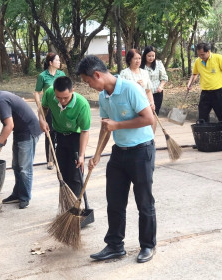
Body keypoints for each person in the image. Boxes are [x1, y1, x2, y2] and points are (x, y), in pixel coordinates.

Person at [76, 55, 156, 263]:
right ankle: (115, 245)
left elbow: (148, 118)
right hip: (119, 152)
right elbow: (106, 126)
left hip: (141, 152)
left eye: (88, 82)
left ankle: (147, 245)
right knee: (115, 201)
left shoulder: (131, 89)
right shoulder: (104, 96)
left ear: (97, 75)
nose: (89, 86)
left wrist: (118, 125)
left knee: (144, 202)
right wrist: (97, 154)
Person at [0, 82, 42, 209]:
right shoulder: (1, 97)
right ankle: (17, 194)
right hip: (20, 131)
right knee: (16, 166)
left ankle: (25, 197)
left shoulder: (1, 100)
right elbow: (7, 124)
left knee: (24, 168)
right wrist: (1, 139)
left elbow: (9, 125)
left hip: (28, 132)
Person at [37, 76, 91, 197]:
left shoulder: (82, 105)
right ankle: (66, 203)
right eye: (59, 98)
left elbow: (85, 131)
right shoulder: (50, 92)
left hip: (76, 137)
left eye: (65, 98)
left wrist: (82, 155)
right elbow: (43, 107)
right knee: (61, 173)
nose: (62, 101)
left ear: (73, 90)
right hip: (59, 136)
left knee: (76, 175)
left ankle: (75, 206)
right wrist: (41, 119)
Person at [187, 42, 222, 147]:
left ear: (208, 51)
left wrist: (221, 81)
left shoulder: (218, 58)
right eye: (199, 55)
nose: (201, 57)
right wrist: (190, 83)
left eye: (202, 54)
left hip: (218, 92)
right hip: (205, 93)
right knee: (202, 117)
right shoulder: (198, 61)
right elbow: (195, 74)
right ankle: (201, 140)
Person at [35, 52, 66, 170]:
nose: (59, 62)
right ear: (50, 63)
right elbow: (37, 92)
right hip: (48, 108)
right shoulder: (43, 76)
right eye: (57, 60)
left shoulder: (61, 74)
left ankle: (61, 157)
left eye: (59, 60)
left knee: (61, 132)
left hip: (61, 107)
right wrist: (39, 106)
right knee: (50, 132)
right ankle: (50, 160)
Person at [120, 48, 157, 132]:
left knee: (152, 120)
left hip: (144, 103)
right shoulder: (124, 73)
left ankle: (151, 140)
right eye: (135, 59)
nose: (138, 61)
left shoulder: (144, 73)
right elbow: (122, 91)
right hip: (131, 106)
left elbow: (148, 90)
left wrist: (152, 102)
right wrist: (135, 85)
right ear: (130, 60)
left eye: (139, 58)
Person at [141, 46, 168, 116]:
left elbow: (164, 77)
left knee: (154, 114)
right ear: (145, 56)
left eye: (153, 56)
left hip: (157, 93)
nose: (151, 58)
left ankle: (153, 127)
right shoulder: (140, 65)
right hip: (144, 94)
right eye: (149, 56)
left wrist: (161, 86)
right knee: (146, 115)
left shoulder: (158, 64)